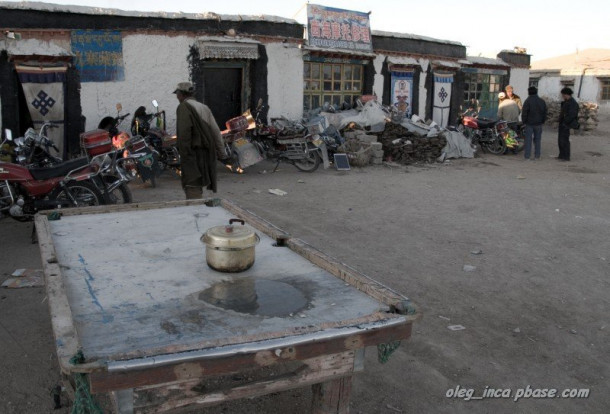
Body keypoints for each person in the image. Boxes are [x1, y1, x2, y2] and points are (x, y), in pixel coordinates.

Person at [174, 82, 226, 199]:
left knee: (192, 184)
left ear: (181, 94)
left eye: (177, 94)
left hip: (192, 152)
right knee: (199, 181)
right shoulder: (204, 107)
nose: (177, 97)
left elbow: (184, 133)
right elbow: (216, 131)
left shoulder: (183, 107)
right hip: (206, 152)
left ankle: (195, 211)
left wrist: (185, 155)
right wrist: (221, 152)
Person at [521, 86, 548, 160]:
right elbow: (545, 112)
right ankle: (537, 156)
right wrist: (542, 121)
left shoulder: (527, 101)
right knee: (537, 140)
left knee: (528, 140)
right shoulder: (542, 101)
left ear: (529, 92)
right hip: (539, 123)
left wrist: (524, 122)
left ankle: (527, 156)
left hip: (529, 124)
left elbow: (524, 113)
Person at [557, 87, 579, 162]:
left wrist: (565, 122)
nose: (562, 96)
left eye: (563, 95)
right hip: (562, 123)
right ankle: (561, 155)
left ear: (566, 94)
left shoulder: (573, 103)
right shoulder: (566, 102)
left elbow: (572, 115)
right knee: (560, 140)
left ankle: (566, 156)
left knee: (565, 141)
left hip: (566, 124)